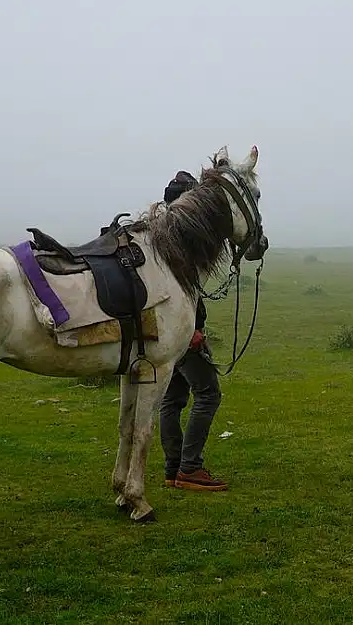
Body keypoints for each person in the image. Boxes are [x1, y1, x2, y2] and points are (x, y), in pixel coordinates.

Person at [156, 171, 228, 492]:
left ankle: (173, 469)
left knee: (172, 400)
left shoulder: (161, 236)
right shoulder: (181, 241)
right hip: (181, 333)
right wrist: (194, 331)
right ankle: (189, 467)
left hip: (165, 334)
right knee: (208, 393)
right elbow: (183, 295)